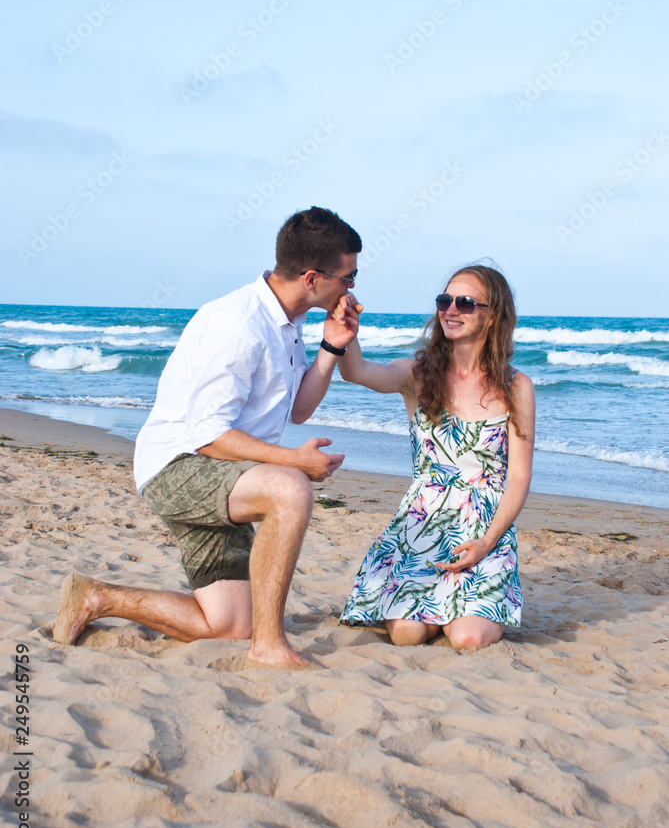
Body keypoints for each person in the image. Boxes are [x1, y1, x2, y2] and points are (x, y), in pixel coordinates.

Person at [53, 207, 362, 669]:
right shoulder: (238, 323)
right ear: (314, 278)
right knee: (289, 489)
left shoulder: (288, 323)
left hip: (224, 473)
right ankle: (270, 648)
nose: (352, 288)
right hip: (178, 467)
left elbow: (297, 409)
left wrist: (333, 345)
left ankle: (97, 598)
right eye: (348, 277)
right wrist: (293, 463)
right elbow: (208, 435)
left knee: (228, 626)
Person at [337, 264, 535, 650]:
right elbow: (357, 372)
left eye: (465, 302)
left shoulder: (516, 386)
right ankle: (437, 608)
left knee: (467, 638)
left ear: (492, 316)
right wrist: (348, 334)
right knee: (408, 635)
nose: (451, 310)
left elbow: (519, 479)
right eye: (446, 300)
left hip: (483, 531)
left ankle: (470, 607)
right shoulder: (418, 374)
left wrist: (486, 542)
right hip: (423, 525)